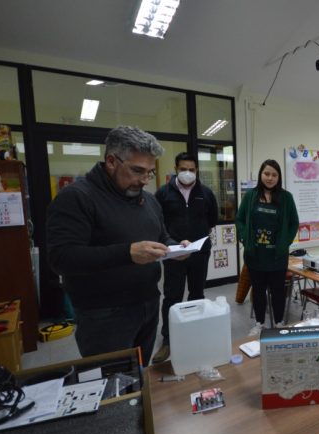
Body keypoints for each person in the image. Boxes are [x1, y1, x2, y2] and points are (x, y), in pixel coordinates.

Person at [47, 125, 189, 365]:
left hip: (147, 304)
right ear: (111, 161)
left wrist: (177, 247)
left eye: (149, 173)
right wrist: (127, 253)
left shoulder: (149, 201)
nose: (144, 180)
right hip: (103, 315)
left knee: (140, 379)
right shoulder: (77, 197)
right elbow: (61, 257)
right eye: (137, 171)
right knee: (113, 387)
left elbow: (162, 236)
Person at [151, 152, 218, 364]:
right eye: (183, 169)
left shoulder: (206, 193)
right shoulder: (163, 193)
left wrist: (197, 240)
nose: (187, 173)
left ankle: (193, 334)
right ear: (176, 168)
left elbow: (212, 220)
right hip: (174, 254)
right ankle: (168, 340)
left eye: (191, 169)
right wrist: (174, 243)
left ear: (196, 170)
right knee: (172, 297)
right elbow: (157, 223)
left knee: (197, 294)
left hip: (199, 252)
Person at [236, 159, 299, 336]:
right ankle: (259, 324)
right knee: (258, 291)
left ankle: (279, 323)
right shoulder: (250, 196)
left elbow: (294, 223)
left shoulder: (286, 198)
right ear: (261, 175)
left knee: (278, 292)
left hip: (277, 257)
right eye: (266, 174)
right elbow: (240, 219)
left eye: (274, 174)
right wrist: (244, 238)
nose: (270, 178)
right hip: (255, 255)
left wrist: (285, 242)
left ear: (278, 177)